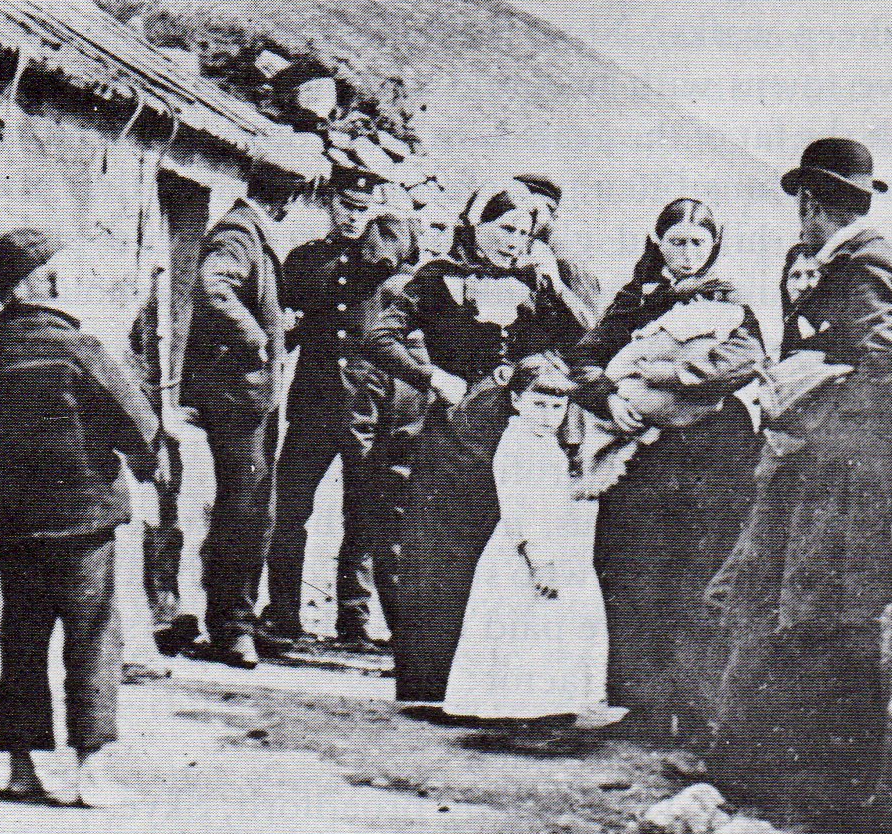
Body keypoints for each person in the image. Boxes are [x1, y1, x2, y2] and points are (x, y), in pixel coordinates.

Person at [711, 139, 892, 818]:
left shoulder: (869, 264)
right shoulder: (814, 262)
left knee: (819, 607)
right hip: (802, 458)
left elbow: (882, 366)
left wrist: (814, 406)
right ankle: (752, 765)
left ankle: (813, 784)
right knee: (768, 595)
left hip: (843, 472)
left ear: (809, 202)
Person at [0, 229, 162, 807]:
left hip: (16, 531)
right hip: (83, 524)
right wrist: (145, 472)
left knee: (22, 639)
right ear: (32, 284)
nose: (62, 279)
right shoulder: (80, 350)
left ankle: (22, 770)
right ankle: (90, 771)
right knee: (92, 638)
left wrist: (3, 512)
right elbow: (139, 426)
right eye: (53, 271)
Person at [366, 183, 585, 703]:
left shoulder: (536, 282)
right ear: (475, 225)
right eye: (504, 229)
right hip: (455, 436)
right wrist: (431, 377)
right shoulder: (436, 279)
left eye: (524, 233)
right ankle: (428, 684)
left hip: (519, 437)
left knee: (510, 549)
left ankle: (494, 687)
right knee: (438, 556)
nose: (514, 241)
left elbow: (586, 337)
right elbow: (378, 336)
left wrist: (557, 287)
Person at [568, 198, 765, 737]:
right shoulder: (635, 299)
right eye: (676, 241)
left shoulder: (727, 299)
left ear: (714, 247)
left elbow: (744, 361)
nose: (687, 253)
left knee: (698, 573)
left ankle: (696, 711)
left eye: (698, 243)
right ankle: (642, 706)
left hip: (712, 455)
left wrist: (665, 373)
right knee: (631, 569)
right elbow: (583, 359)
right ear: (657, 243)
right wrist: (608, 397)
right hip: (643, 456)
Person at [262, 169, 412, 651]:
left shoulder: (387, 252)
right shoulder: (305, 259)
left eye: (363, 209)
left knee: (363, 515)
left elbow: (395, 252)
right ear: (329, 203)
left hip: (367, 407)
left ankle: (354, 619)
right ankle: (283, 613)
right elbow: (287, 321)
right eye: (346, 205)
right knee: (289, 509)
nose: (352, 216)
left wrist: (378, 229)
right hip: (314, 402)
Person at [442, 355, 622, 727]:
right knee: (523, 624)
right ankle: (519, 710)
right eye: (538, 404)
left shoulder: (544, 442)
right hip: (527, 552)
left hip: (556, 544)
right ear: (516, 401)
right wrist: (539, 560)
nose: (548, 415)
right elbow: (518, 509)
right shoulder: (519, 445)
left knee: (549, 626)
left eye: (557, 407)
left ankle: (545, 706)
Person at [180, 161, 305, 668]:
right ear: (287, 199)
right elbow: (213, 288)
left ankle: (240, 619)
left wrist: (277, 326)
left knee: (255, 510)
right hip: (237, 397)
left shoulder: (249, 231)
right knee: (245, 511)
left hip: (250, 396)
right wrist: (255, 339)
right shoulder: (238, 232)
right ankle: (231, 627)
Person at [513, 173, 604, 329]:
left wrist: (557, 285)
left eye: (535, 211)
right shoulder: (503, 254)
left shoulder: (566, 263)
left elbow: (594, 328)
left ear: (552, 215)